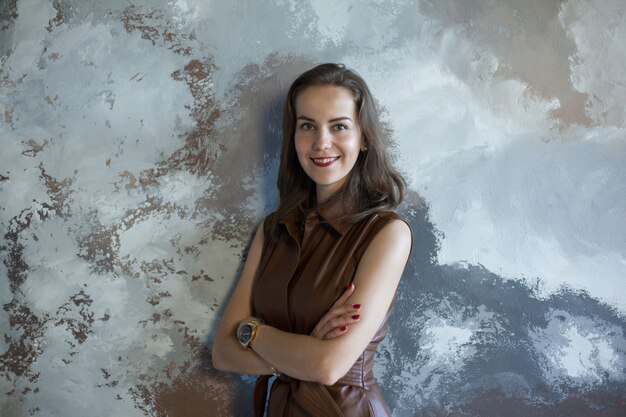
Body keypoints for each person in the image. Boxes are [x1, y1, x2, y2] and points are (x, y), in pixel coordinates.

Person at [212, 63, 412, 416]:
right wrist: (298, 354)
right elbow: (224, 352)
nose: (321, 142)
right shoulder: (273, 229)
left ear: (363, 137)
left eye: (338, 126)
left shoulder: (387, 233)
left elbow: (328, 366)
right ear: (294, 137)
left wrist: (253, 331)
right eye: (308, 126)